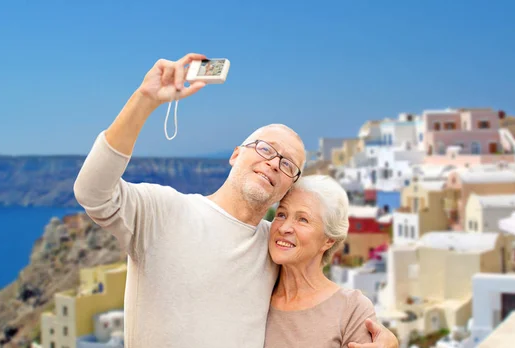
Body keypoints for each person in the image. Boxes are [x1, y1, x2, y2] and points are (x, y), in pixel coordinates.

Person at [73, 53, 398, 348]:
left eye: (288, 164)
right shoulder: (164, 210)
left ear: (287, 188)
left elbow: (319, 300)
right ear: (235, 154)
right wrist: (144, 100)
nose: (273, 162)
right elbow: (92, 192)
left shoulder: (275, 247)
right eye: (265, 148)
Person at [264, 175, 380, 347]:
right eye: (281, 214)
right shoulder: (256, 294)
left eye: (302, 219)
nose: (284, 227)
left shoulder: (351, 309)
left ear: (328, 240)